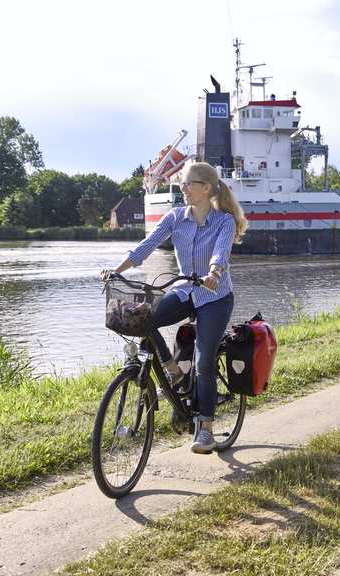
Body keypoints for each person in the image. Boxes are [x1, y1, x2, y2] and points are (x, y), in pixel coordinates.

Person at [101, 162, 247, 453]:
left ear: (206, 188)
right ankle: (172, 370)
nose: (183, 188)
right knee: (143, 318)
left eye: (188, 183)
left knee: (205, 361)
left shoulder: (224, 221)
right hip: (184, 291)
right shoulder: (175, 217)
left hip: (214, 295)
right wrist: (116, 271)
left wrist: (214, 274)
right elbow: (146, 246)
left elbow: (221, 253)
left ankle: (205, 429)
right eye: (182, 183)